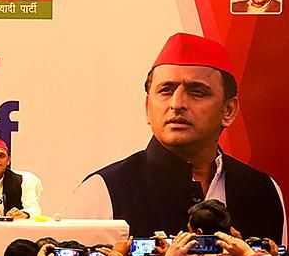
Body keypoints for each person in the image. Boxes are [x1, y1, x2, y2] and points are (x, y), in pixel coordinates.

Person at [67, 32, 285, 243]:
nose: (177, 104)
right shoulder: (102, 190)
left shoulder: (262, 191)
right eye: (166, 90)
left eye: (197, 91)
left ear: (228, 110)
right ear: (147, 107)